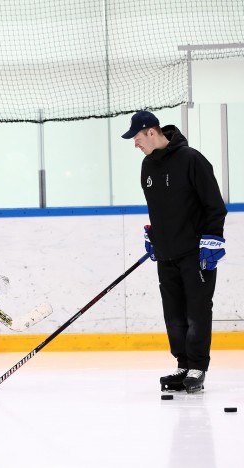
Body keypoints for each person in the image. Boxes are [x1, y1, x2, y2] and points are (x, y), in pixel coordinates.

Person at [122, 111, 227, 394]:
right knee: (174, 313)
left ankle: (197, 367)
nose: (136, 145)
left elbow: (214, 205)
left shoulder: (192, 160)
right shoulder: (147, 166)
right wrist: (154, 234)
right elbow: (160, 209)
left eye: (137, 138)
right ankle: (183, 363)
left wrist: (213, 239)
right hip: (167, 253)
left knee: (197, 311)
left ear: (151, 132)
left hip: (196, 253)